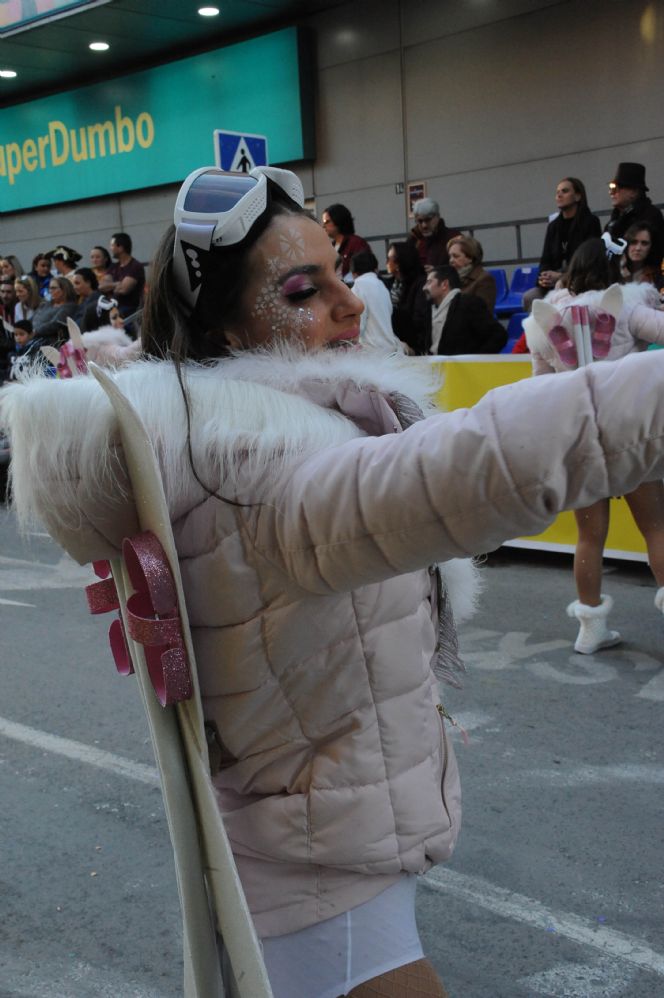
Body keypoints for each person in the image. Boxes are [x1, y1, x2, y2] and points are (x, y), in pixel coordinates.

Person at [7, 166, 664, 998]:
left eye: (337, 275)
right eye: (303, 289)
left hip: (317, 858)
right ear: (234, 333)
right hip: (325, 895)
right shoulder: (266, 474)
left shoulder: (231, 443)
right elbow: (484, 461)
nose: (351, 304)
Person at [524, 235, 664, 653]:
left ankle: (590, 631)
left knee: (589, 537)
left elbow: (540, 389)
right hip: (631, 431)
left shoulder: (541, 325)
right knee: (656, 526)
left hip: (580, 437)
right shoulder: (629, 306)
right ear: (612, 268)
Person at [523, 177, 601, 310]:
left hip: (579, 284)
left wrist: (562, 276)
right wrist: (544, 278)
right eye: (557, 192)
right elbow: (545, 260)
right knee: (529, 297)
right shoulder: (553, 226)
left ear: (577, 196)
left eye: (564, 191)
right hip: (553, 285)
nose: (559, 195)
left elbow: (590, 262)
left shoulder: (590, 222)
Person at [423, 265, 506, 354]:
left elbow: (499, 335)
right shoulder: (429, 309)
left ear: (444, 284)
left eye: (429, 282)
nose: (424, 288)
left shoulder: (468, 304)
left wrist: (475, 360)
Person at [604, 162, 664, 271]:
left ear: (633, 191)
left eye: (616, 188)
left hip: (643, 280)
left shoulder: (651, 215)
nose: (611, 193)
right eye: (610, 188)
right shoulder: (612, 221)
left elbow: (655, 254)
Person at [350, 249, 402, 351]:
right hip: (391, 347)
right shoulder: (382, 286)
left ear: (353, 273)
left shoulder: (358, 286)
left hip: (371, 351)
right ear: (376, 269)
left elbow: (359, 324)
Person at [386, 240, 427, 353]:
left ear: (400, 262)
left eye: (390, 258)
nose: (387, 262)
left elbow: (419, 317)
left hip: (413, 343)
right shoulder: (388, 283)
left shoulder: (420, 283)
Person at [99, 232, 145, 321]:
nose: (110, 248)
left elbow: (124, 289)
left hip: (130, 310)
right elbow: (101, 286)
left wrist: (111, 286)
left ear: (120, 247)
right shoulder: (114, 267)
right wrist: (117, 284)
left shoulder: (135, 266)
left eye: (112, 245)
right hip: (114, 308)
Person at [446, 234, 497, 312]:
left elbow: (481, 313)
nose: (451, 261)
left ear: (470, 258)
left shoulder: (484, 280)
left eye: (456, 256)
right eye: (450, 257)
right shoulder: (451, 279)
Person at [408, 198, 460, 271]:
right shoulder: (413, 239)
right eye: (420, 221)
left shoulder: (453, 238)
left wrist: (438, 272)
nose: (424, 225)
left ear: (437, 217)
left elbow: (462, 266)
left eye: (428, 220)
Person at [320, 203, 370, 278]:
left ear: (338, 220)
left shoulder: (357, 243)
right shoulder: (330, 247)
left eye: (327, 222)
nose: (323, 226)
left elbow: (365, 271)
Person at [32, 275, 77, 342]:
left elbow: (54, 324)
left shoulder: (70, 307)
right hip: (33, 339)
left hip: (51, 343)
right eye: (49, 288)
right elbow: (33, 318)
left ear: (64, 289)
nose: (50, 291)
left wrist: (33, 332)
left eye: (53, 288)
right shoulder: (45, 304)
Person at [620, 222, 663, 288]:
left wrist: (627, 280)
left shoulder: (657, 276)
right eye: (633, 242)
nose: (638, 248)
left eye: (644, 243)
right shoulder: (613, 272)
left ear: (651, 247)